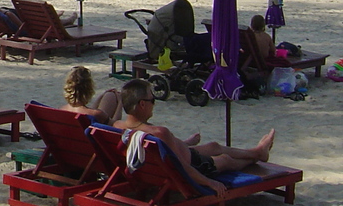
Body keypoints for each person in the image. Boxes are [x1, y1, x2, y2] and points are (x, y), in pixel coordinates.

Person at [116, 78, 275, 198]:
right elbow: (181, 167)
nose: (154, 104)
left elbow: (164, 151)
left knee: (214, 146)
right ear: (142, 104)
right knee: (225, 159)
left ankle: (256, 152)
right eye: (153, 100)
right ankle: (256, 157)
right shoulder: (158, 132)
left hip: (176, 158)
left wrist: (186, 143)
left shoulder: (117, 127)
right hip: (193, 167)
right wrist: (209, 182)